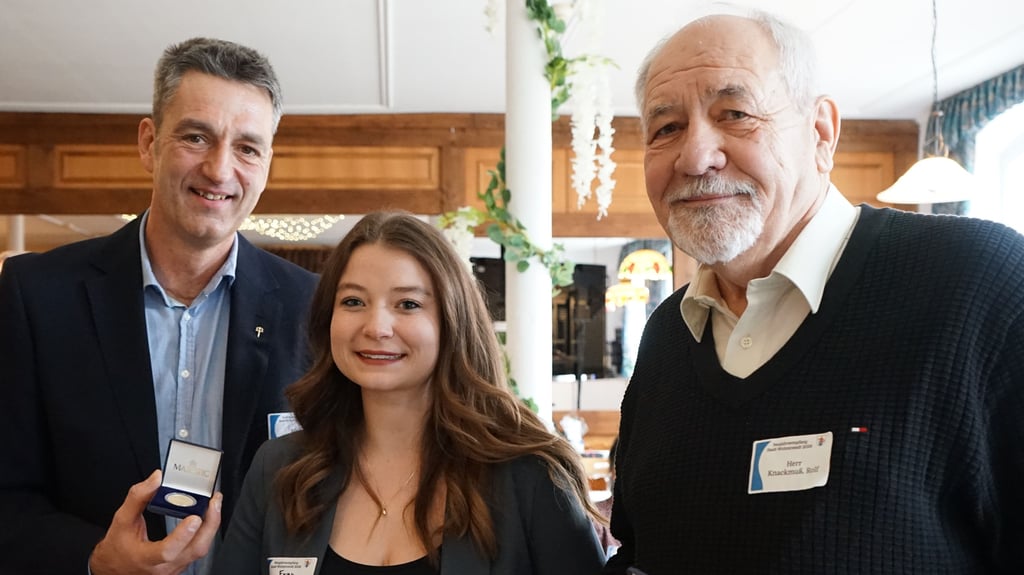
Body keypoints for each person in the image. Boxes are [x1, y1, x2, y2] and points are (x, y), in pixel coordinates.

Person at [605, 7, 1024, 575]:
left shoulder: (981, 282)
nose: (695, 155)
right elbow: (641, 548)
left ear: (821, 132)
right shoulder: (666, 336)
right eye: (666, 128)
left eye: (736, 113)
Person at [0, 37, 318, 575]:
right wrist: (96, 558)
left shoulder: (313, 307)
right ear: (149, 143)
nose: (220, 170)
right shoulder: (36, 294)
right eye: (197, 136)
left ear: (267, 162)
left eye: (247, 147)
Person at [213, 211, 606, 574]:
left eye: (407, 304)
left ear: (453, 321)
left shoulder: (532, 475)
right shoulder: (280, 468)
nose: (377, 326)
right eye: (353, 301)